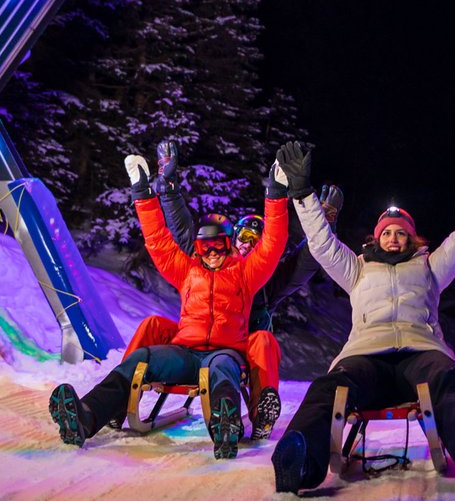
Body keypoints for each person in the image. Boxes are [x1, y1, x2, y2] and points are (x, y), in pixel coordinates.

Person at [269, 138, 455, 493]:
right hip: (366, 357)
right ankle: (299, 459)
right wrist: (303, 194)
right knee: (330, 386)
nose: (394, 238)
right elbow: (321, 244)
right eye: (387, 233)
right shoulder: (357, 268)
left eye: (401, 233)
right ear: (376, 238)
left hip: (421, 353)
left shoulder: (429, 268)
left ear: (413, 239)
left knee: (448, 377)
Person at [47, 151, 288, 458]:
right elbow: (158, 240)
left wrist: (276, 197)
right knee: (142, 359)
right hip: (185, 354)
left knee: (223, 368)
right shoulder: (187, 270)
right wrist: (142, 194)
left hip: (226, 353)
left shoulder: (245, 273)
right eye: (205, 245)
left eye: (219, 245)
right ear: (198, 247)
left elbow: (272, 244)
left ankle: (225, 429)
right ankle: (86, 415)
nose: (212, 251)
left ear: (229, 246)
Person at [121, 140, 343, 439]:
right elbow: (182, 234)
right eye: (243, 236)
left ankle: (261, 411)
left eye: (256, 237)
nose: (248, 243)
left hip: (239, 349)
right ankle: (118, 395)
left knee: (262, 340)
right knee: (152, 325)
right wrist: (169, 190)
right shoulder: (207, 262)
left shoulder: (263, 278)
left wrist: (323, 224)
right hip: (194, 342)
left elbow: (302, 265)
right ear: (230, 239)